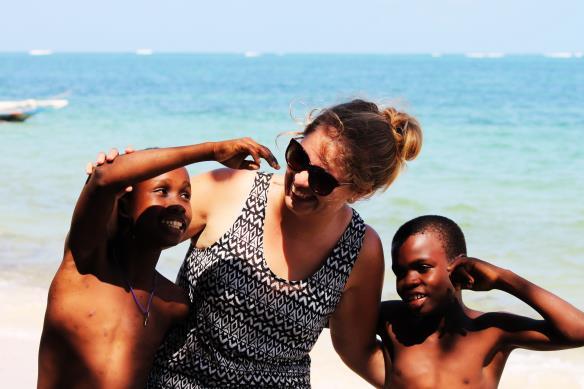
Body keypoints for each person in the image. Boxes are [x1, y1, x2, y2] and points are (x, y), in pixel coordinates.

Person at [114, 99, 421, 388]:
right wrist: (109, 190)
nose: (300, 180)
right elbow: (125, 243)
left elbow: (358, 351)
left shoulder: (360, 249)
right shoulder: (229, 190)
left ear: (360, 191)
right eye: (298, 158)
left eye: (322, 180)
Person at [37, 139, 279, 389]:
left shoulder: (173, 304)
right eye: (162, 191)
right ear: (124, 204)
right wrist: (212, 152)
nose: (178, 204)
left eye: (185, 195)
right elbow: (104, 177)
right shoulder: (85, 264)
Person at [378, 215, 584, 389]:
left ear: (459, 265)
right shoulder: (391, 322)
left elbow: (579, 331)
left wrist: (502, 278)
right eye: (400, 272)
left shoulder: (491, 330)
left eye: (422, 267)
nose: (409, 280)